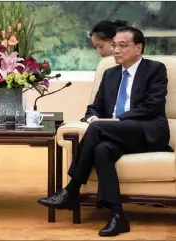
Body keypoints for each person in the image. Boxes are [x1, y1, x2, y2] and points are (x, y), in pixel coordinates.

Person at [38, 26, 172, 237]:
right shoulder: (110, 74)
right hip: (114, 133)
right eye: (114, 45)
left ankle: (72, 189)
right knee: (102, 150)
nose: (116, 50)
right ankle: (118, 215)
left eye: (122, 45)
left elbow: (151, 107)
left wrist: (112, 120)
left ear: (139, 48)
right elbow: (94, 108)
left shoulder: (155, 69)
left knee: (99, 127)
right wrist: (93, 118)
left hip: (147, 132)